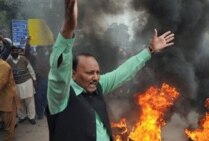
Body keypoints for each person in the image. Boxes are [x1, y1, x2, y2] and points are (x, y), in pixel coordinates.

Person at [46, 0, 175, 141]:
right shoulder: (61, 96)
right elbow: (58, 70)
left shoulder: (97, 86)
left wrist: (149, 50)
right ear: (73, 74)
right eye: (89, 73)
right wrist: (67, 31)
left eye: (97, 72)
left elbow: (123, 72)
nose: (95, 77)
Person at [7, 47, 37, 125]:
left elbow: (31, 70)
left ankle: (31, 117)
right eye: (13, 51)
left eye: (16, 51)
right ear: (10, 53)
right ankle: (22, 116)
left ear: (18, 51)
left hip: (27, 82)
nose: (15, 52)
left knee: (29, 100)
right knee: (19, 101)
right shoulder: (8, 61)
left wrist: (34, 79)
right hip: (16, 84)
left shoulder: (24, 59)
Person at [0, 43, 19, 141]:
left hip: (8, 98)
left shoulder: (4, 66)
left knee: (9, 123)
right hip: (2, 99)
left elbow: (1, 83)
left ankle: (9, 138)